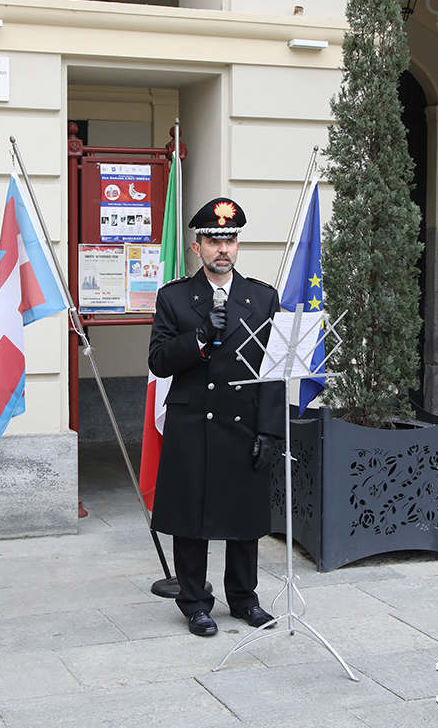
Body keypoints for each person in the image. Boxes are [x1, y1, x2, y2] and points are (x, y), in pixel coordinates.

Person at [148, 198, 286, 636]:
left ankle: (244, 598)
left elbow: (274, 370)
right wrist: (202, 333)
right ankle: (195, 602)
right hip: (192, 425)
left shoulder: (262, 298)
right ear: (197, 247)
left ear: (238, 244)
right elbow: (159, 361)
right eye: (213, 240)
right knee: (192, 519)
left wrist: (269, 429)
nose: (221, 249)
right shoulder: (174, 298)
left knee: (243, 518)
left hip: (243, 422)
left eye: (229, 239)